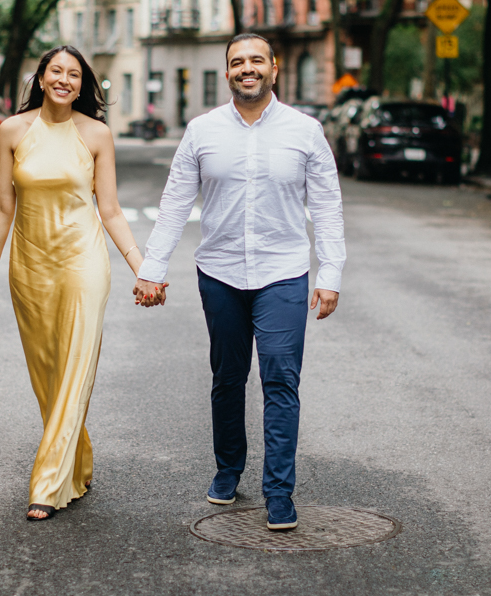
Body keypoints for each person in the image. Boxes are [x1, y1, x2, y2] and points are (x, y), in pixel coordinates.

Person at [133, 33, 345, 531]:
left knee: (280, 381)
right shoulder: (201, 131)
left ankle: (278, 492)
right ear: (227, 72)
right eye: (236, 62)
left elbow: (328, 206)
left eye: (255, 61)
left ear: (274, 67)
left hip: (283, 274)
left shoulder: (306, 130)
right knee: (227, 379)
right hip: (221, 273)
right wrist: (152, 269)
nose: (246, 68)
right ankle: (228, 469)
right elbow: (175, 203)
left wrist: (330, 272)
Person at [0, 46, 158, 521]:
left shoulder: (96, 134)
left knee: (76, 365)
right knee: (49, 374)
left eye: (74, 74)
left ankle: (48, 482)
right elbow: (1, 207)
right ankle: (77, 459)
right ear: (40, 78)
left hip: (83, 262)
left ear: (82, 85)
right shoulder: (13, 131)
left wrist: (144, 266)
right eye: (56, 71)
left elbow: (110, 210)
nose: (64, 80)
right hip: (29, 267)